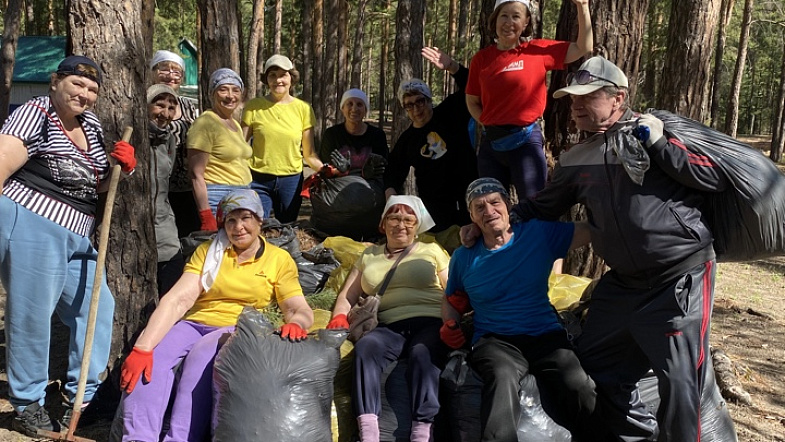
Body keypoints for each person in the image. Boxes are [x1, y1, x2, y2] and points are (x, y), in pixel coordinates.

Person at [462, 56, 736, 441]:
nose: (574, 106)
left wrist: (659, 143)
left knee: (680, 380)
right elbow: (541, 206)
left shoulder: (657, 134)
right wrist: (489, 224)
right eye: (572, 98)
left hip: (679, 276)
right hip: (623, 283)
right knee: (594, 364)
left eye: (585, 97)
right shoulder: (577, 159)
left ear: (617, 98)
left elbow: (712, 177)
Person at [0, 55, 136, 436]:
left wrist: (121, 168)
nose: (85, 94)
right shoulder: (36, 114)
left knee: (97, 307)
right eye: (77, 84)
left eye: (92, 89)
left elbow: (96, 185)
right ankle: (27, 402)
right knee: (32, 314)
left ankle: (83, 398)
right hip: (32, 221)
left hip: (79, 232)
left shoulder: (90, 125)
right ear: (55, 81)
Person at [119, 189, 314, 442]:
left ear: (260, 221)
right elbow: (179, 298)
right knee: (155, 356)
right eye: (231, 220)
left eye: (246, 218)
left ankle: (180, 438)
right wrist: (143, 347)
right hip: (195, 322)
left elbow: (296, 307)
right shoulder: (209, 252)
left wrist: (297, 323)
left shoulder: (278, 260)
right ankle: (138, 437)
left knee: (200, 358)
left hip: (236, 326)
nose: (238, 227)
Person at [441, 177, 606, 442]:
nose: (489, 211)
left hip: (545, 334)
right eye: (479, 207)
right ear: (471, 216)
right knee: (501, 378)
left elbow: (593, 229)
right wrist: (449, 324)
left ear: (508, 205)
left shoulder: (538, 234)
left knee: (579, 384)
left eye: (495, 202)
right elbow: (452, 301)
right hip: (495, 341)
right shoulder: (464, 257)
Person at [326, 195, 450, 442]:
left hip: (430, 320)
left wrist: (453, 321)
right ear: (383, 224)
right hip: (389, 325)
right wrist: (339, 316)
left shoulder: (432, 250)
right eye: (394, 218)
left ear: (418, 225)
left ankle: (422, 431)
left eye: (408, 219)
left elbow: (451, 290)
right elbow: (347, 295)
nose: (400, 225)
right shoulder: (369, 255)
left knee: (422, 353)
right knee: (366, 348)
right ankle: (369, 430)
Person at [465, 0, 591, 200]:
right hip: (492, 143)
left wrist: (582, 7)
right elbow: (472, 101)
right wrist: (487, 122)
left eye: (516, 16)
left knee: (534, 204)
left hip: (526, 142)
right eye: (504, 16)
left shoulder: (537, 50)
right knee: (490, 206)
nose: (509, 22)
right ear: (495, 20)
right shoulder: (481, 59)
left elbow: (583, 47)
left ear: (525, 23)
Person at [385, 47, 478, 233]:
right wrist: (391, 198)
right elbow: (392, 172)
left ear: (429, 100)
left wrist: (452, 66)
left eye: (420, 101)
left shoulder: (450, 112)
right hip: (436, 212)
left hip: (469, 198)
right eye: (409, 105)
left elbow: (473, 86)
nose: (416, 109)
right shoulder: (408, 140)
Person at [243, 54, 321, 223]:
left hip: (291, 180)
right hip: (258, 179)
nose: (278, 80)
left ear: (291, 78)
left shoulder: (304, 109)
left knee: (287, 227)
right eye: (272, 75)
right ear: (266, 79)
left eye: (283, 75)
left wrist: (326, 171)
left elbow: (309, 153)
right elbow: (240, 146)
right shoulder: (253, 107)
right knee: (257, 225)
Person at [311, 88, 388, 240]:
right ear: (342, 108)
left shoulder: (377, 135)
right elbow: (325, 170)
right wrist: (340, 171)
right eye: (349, 104)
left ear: (365, 109)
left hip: (369, 196)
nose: (354, 109)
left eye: (359, 104)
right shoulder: (332, 134)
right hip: (337, 194)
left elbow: (383, 167)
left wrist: (370, 173)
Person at [187, 68, 252, 231]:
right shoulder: (205, 123)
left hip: (243, 195)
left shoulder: (234, 124)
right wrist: (206, 214)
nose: (230, 96)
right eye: (223, 89)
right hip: (219, 197)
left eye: (235, 90)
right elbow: (196, 174)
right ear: (212, 93)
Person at [150, 50, 202, 238]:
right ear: (153, 72)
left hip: (187, 184)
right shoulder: (146, 102)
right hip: (157, 183)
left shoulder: (188, 105)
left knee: (188, 234)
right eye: (164, 69)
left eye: (176, 72)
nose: (170, 76)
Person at [147, 83, 185, 295]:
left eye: (171, 108)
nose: (165, 114)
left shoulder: (169, 138)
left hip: (163, 219)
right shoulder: (131, 134)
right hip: (133, 220)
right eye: (159, 105)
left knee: (173, 270)